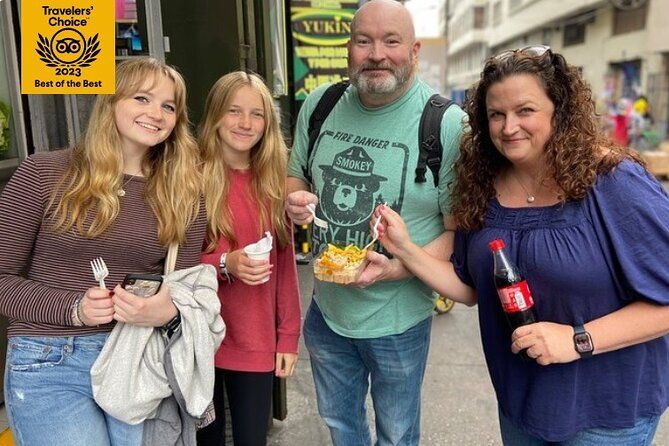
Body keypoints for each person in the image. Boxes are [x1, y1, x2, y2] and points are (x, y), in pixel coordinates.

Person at [374, 45, 669, 445]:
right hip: (521, 404)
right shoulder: (482, 188)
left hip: (606, 414)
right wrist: (404, 249)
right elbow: (470, 288)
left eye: (525, 110)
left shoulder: (614, 182)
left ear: (558, 110)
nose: (509, 126)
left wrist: (577, 339)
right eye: (496, 114)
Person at [284, 1, 466, 444]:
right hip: (327, 313)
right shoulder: (321, 103)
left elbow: (458, 231)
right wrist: (293, 200)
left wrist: (400, 267)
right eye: (364, 40)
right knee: (342, 426)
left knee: (397, 434)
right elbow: (296, 175)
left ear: (415, 50)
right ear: (349, 48)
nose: (376, 54)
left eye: (391, 41)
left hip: (399, 320)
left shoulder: (446, 124)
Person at [0, 57, 206, 445]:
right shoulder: (44, 173)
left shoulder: (185, 193)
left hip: (136, 360)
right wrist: (72, 308)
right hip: (49, 359)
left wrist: (167, 309)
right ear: (110, 102)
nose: (156, 113)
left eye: (169, 105)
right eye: (142, 98)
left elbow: (188, 288)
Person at [197, 71, 301, 446]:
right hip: (197, 337)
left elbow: (285, 271)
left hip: (255, 335)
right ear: (214, 116)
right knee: (205, 440)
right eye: (234, 110)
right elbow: (164, 259)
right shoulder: (186, 177)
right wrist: (224, 264)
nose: (245, 123)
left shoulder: (273, 183)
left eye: (256, 114)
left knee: (252, 438)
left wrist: (288, 337)